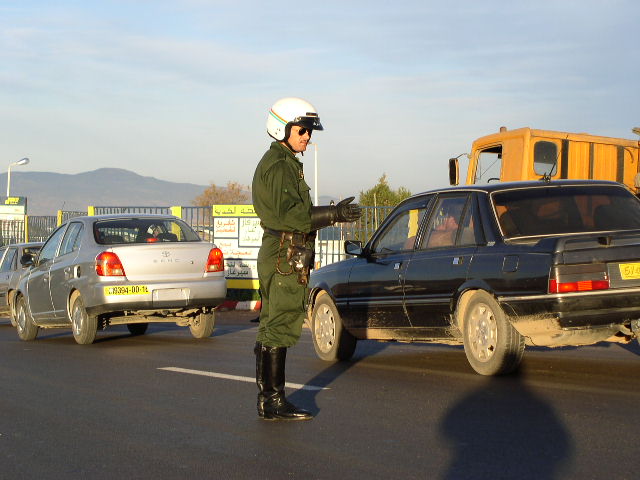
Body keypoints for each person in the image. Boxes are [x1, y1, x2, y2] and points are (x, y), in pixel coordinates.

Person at [252, 97, 361, 421]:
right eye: (302, 130)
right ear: (282, 128)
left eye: (309, 131)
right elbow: (292, 215)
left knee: (273, 323)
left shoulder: (283, 163)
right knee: (281, 322)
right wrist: (334, 214)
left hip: (283, 251)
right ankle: (272, 400)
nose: (307, 136)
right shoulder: (280, 166)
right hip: (285, 253)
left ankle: (268, 400)